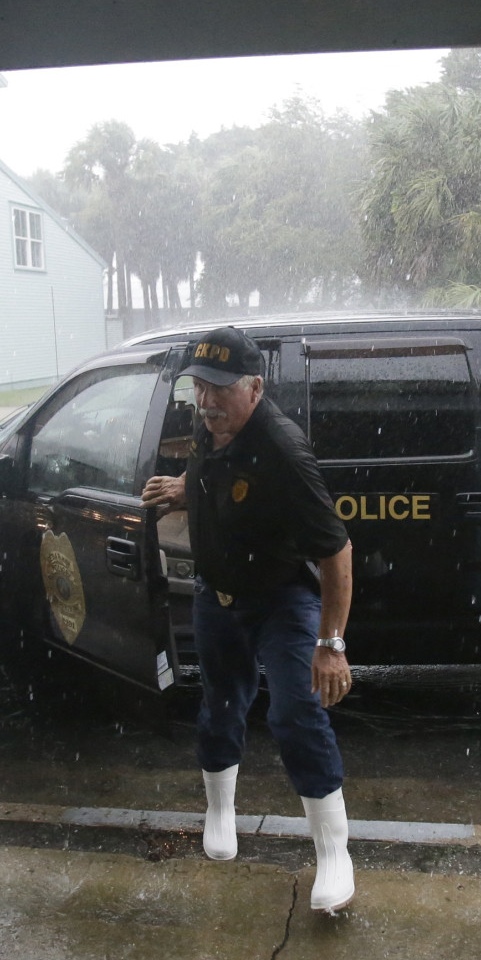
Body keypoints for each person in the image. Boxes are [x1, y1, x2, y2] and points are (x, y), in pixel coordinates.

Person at [141, 326, 357, 913]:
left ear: (255, 387)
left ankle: (334, 853)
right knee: (220, 703)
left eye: (220, 388)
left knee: (294, 711)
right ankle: (220, 811)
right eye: (199, 387)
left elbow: (337, 552)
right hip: (218, 595)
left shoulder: (283, 450)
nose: (206, 401)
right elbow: (220, 473)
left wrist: (331, 644)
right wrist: (187, 487)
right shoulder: (211, 424)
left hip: (281, 599)